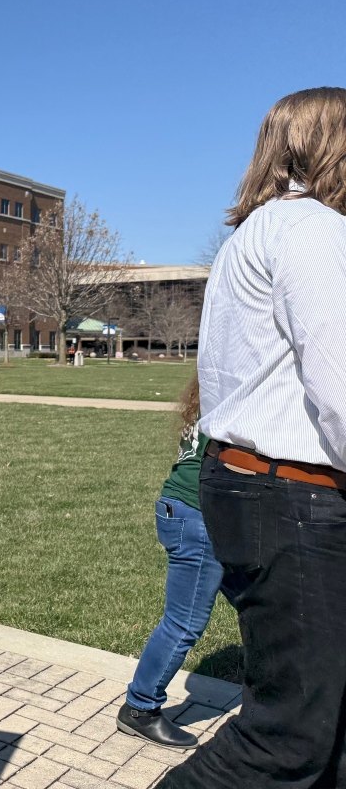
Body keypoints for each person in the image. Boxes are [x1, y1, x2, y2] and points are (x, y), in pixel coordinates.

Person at [158, 87, 346, 788]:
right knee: (290, 735)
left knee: (326, 724)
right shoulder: (315, 233)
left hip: (255, 486)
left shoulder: (255, 235)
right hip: (295, 494)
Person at [117, 375, 243, 749]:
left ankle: (279, 688)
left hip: (185, 510)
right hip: (197, 516)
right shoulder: (231, 398)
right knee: (184, 621)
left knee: (263, 602)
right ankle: (140, 709)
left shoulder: (211, 392)